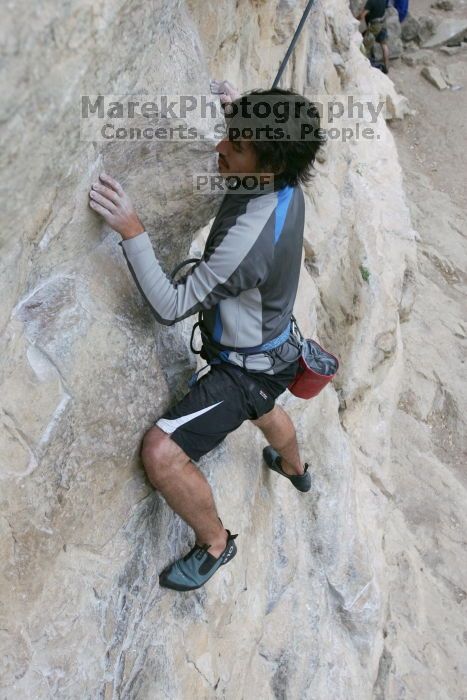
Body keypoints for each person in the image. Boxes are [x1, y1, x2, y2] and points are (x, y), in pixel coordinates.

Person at [88, 83, 326, 592]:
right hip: (277, 349)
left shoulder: (248, 243)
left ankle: (216, 542)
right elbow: (265, 148)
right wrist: (240, 113)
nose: (220, 148)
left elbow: (170, 306)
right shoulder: (286, 185)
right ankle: (295, 467)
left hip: (242, 370)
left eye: (235, 145)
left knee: (161, 452)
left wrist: (132, 230)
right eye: (229, 134)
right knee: (267, 405)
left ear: (266, 163)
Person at [356, 0, 390, 74]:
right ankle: (386, 67)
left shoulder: (371, 2)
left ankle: (365, 69)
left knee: (365, 46)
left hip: (374, 26)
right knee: (384, 44)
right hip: (383, 22)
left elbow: (362, 16)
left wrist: (355, 19)